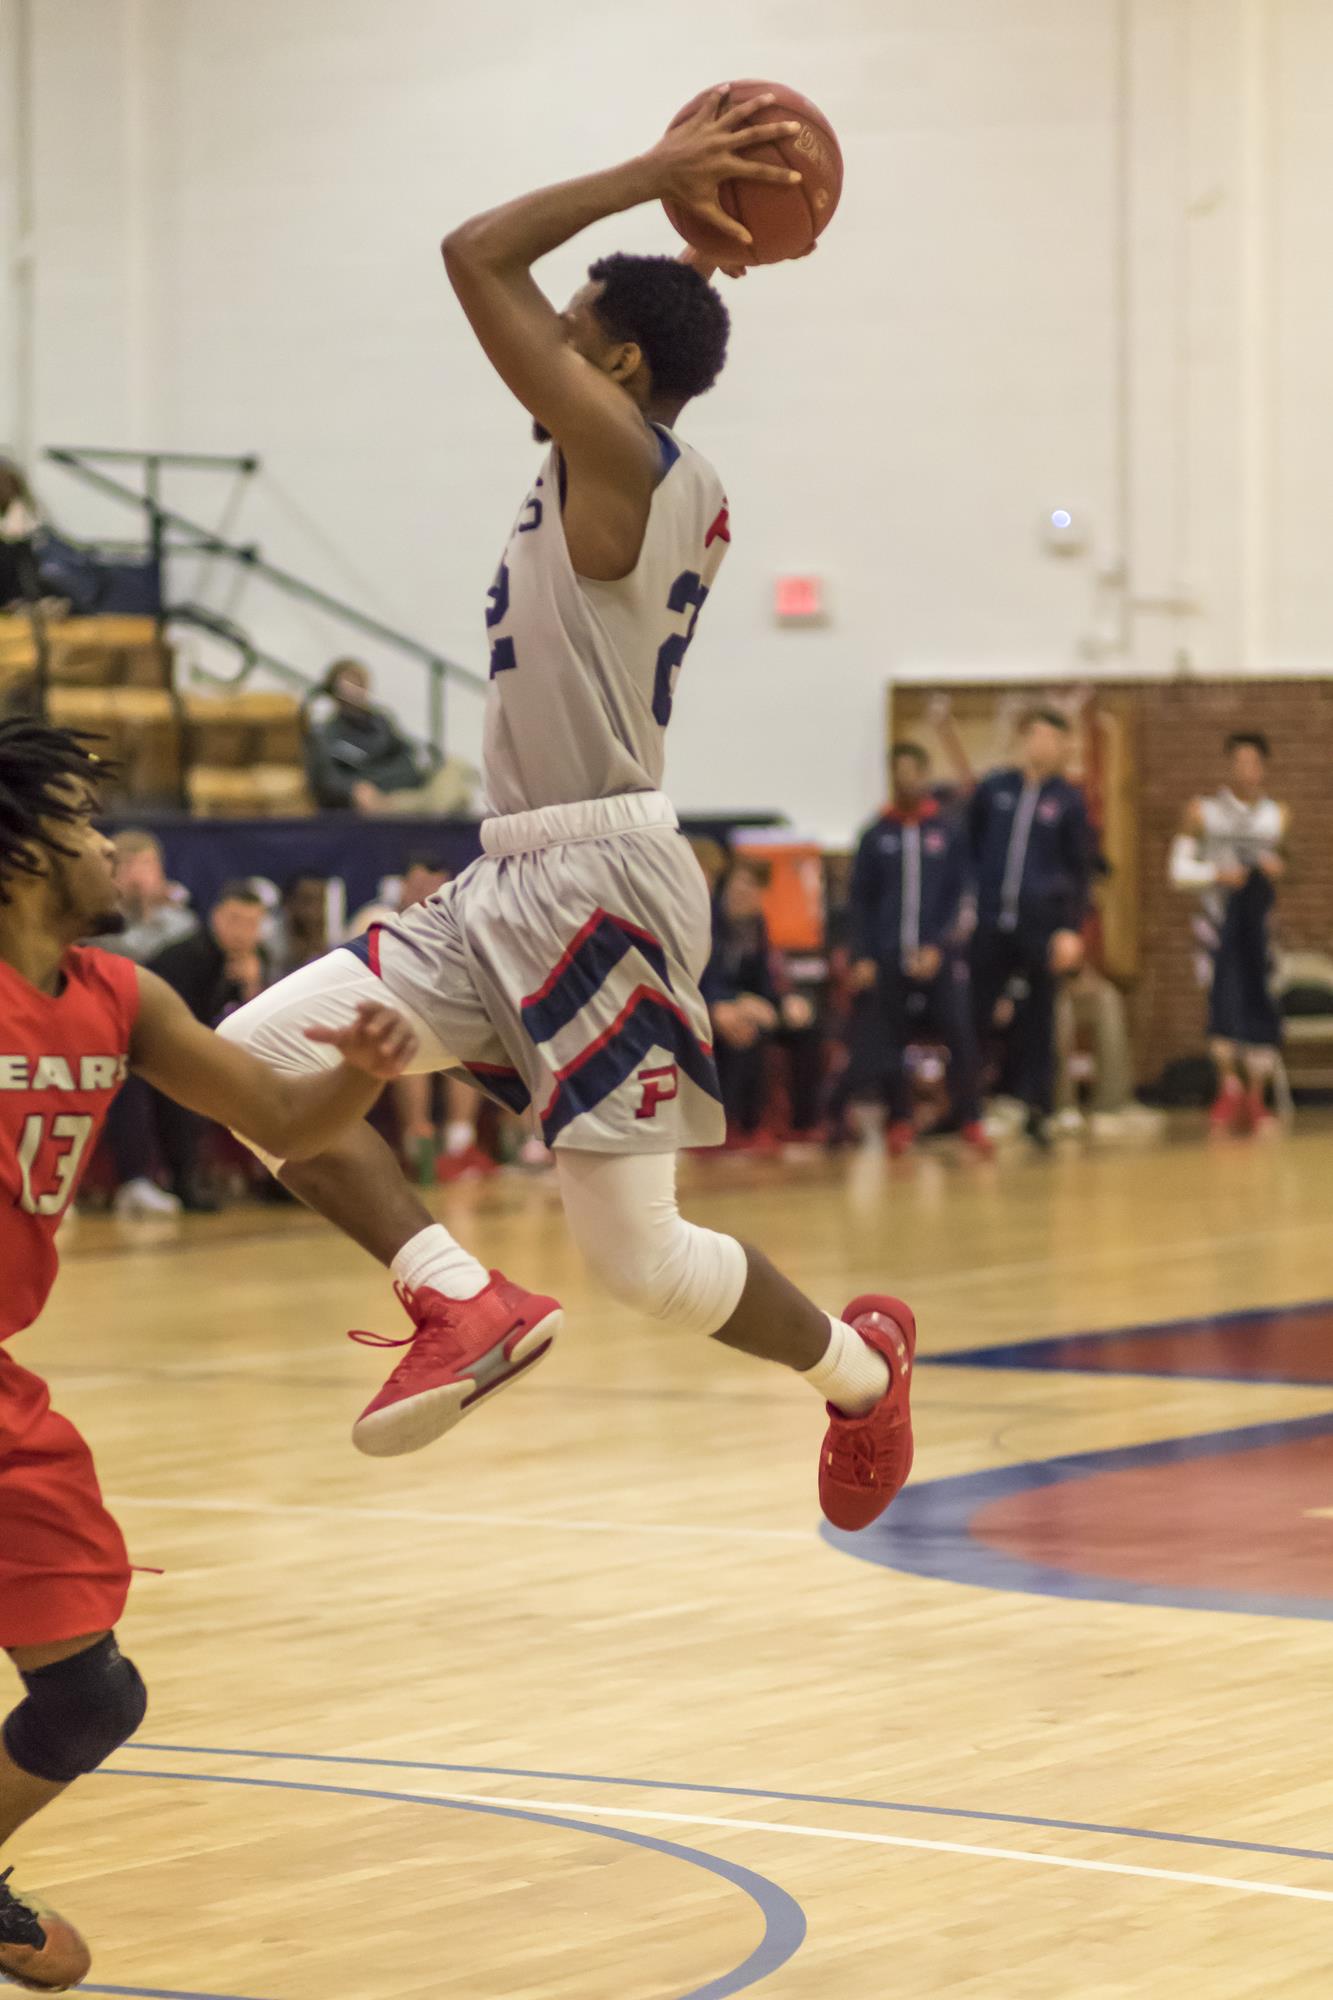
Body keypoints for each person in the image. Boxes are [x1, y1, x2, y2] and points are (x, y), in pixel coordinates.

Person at [221, 89, 916, 1535]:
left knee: (642, 1264)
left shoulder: (626, 463)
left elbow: (474, 252)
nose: (537, 334)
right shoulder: (611, 448)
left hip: (601, 883)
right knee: (251, 1061)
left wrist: (650, 174)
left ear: (614, 362)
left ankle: (863, 1375)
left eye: (572, 323)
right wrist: (689, 249)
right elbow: (556, 302)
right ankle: (458, 1298)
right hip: (505, 875)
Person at [0, 716, 417, 1990]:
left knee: (93, 1698)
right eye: (82, 825)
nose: (112, 849)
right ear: (21, 852)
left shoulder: (123, 997)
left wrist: (361, 1071)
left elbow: (281, 1112)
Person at [846, 743, 990, 1158]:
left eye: (913, 771)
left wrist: (939, 946)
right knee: (890, 1036)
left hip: (938, 958)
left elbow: (962, 897)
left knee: (959, 1031)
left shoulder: (947, 832)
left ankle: (970, 1118)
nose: (906, 779)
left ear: (925, 775)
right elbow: (861, 902)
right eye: (899, 772)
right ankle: (900, 1119)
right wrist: (863, 955)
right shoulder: (876, 836)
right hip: (889, 955)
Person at [966, 709, 1095, 1146]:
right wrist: (969, 903)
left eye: (1052, 739)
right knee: (978, 1012)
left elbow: (1080, 870)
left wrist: (1070, 929)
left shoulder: (1069, 801)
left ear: (1062, 748)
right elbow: (970, 848)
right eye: (1036, 736)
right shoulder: (995, 789)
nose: (1042, 745)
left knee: (1038, 1017)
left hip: (1041, 927)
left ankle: (1034, 1106)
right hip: (990, 922)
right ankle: (972, 1106)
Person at [1169, 731, 1288, 1136]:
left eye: (1254, 763)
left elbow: (1290, 868)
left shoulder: (1277, 816)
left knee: (1260, 1005)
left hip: (1259, 928)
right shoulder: (1201, 812)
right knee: (1221, 1006)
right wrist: (1216, 874)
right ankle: (1228, 1088)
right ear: (1228, 766)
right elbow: (1177, 871)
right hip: (1217, 926)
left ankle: (1256, 1097)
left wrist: (1278, 870)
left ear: (1264, 768)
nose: (1246, 770)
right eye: (1239, 762)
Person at [99, 833, 201, 1217]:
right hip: (108, 1031)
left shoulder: (184, 925)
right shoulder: (94, 922)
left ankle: (186, 1178)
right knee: (129, 1067)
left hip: (171, 1029)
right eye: (128, 866)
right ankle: (136, 1182)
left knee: (188, 1066)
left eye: (147, 866)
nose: (138, 877)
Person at [701, 859, 819, 1146]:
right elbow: (698, 978)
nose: (745, 892)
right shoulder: (704, 921)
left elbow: (765, 981)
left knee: (807, 1028)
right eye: (740, 883)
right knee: (745, 1033)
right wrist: (729, 1003)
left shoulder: (757, 925)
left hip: (746, 1004)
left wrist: (786, 1002)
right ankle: (736, 1125)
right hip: (708, 1006)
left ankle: (802, 1123)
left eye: (754, 887)